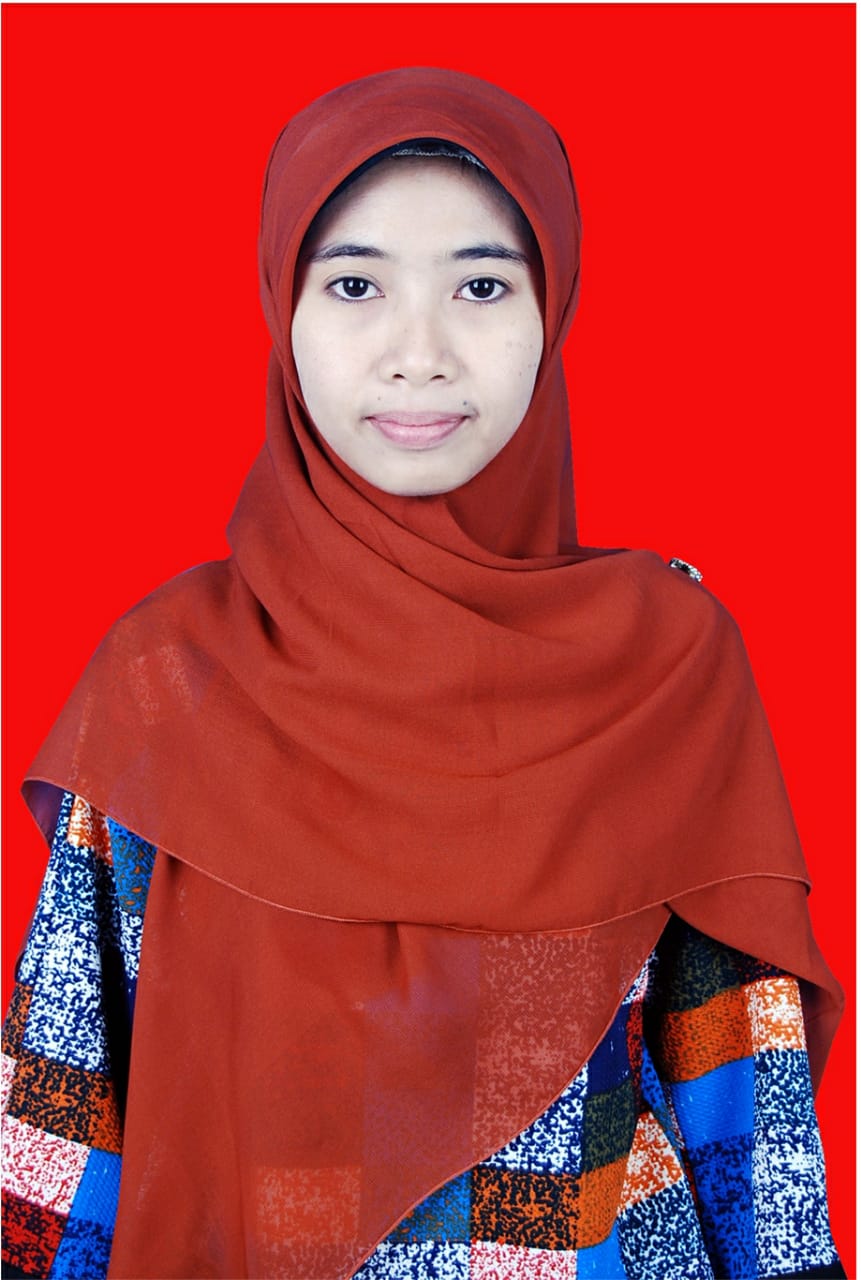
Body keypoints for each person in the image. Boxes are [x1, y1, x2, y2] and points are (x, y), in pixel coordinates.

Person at [1, 67, 844, 1280]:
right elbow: (62, 1116)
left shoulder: (667, 666)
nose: (419, 353)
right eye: (355, 285)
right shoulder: (169, 676)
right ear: (281, 306)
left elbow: (749, 1128)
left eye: (482, 285)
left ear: (553, 306)